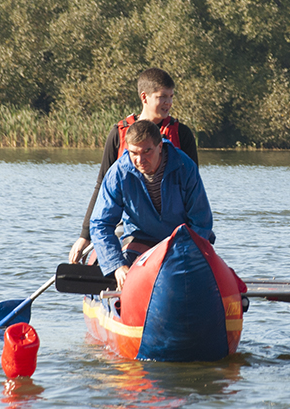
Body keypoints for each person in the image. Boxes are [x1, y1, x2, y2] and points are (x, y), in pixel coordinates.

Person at [69, 68, 198, 263]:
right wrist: (85, 235)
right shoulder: (118, 133)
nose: (169, 103)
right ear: (144, 97)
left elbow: (193, 191)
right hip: (127, 226)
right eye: (163, 97)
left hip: (173, 227)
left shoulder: (182, 134)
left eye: (171, 97)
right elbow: (101, 185)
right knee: (103, 260)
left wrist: (196, 236)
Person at [90, 119, 214, 290]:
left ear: (160, 147)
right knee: (128, 281)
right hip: (140, 241)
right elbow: (100, 224)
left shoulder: (185, 167)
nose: (140, 159)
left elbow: (201, 221)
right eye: (134, 153)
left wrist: (186, 256)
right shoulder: (118, 173)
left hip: (181, 243)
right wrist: (117, 266)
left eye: (147, 151)